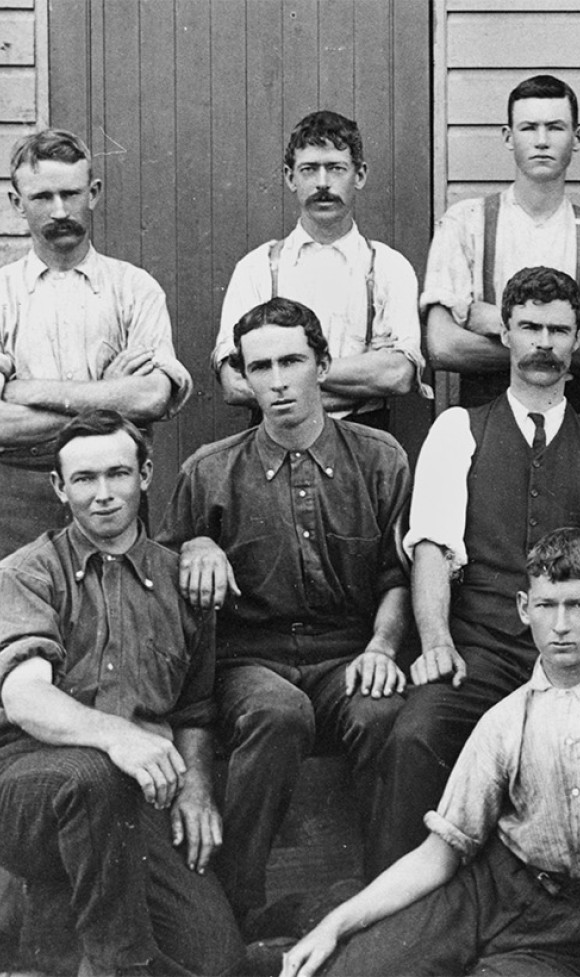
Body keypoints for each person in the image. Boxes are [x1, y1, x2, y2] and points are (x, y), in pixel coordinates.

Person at [280, 528, 580, 977]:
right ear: (523, 608)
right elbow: (440, 854)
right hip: (488, 888)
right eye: (546, 605)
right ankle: (301, 929)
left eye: (578, 605)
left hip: (579, 925)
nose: (560, 625)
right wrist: (335, 926)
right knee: (351, 970)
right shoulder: (504, 721)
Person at [371, 266, 580, 874]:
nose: (544, 343)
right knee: (417, 733)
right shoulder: (456, 430)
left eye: (558, 330)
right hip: (478, 650)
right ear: (507, 337)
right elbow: (432, 548)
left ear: (577, 342)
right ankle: (387, 913)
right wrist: (438, 642)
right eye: (529, 327)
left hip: (570, 657)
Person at [155, 297, 411, 929]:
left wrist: (382, 645)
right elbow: (162, 580)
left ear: (322, 365)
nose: (276, 381)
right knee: (276, 713)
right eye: (259, 366)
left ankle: (382, 905)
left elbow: (397, 574)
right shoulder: (209, 471)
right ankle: (236, 904)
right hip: (250, 659)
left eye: (291, 361)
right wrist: (195, 544)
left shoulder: (381, 459)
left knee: (385, 715)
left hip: (347, 652)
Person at [0, 411, 241, 975]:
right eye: (84, 479)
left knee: (216, 959)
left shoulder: (181, 579)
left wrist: (198, 786)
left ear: (147, 475)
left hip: (138, 801)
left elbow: (195, 707)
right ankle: (123, 966)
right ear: (60, 487)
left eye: (118, 474)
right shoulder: (27, 573)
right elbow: (24, 695)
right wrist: (119, 737)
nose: (103, 494)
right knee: (92, 774)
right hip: (27, 785)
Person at [0, 128, 192, 557]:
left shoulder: (134, 288)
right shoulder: (2, 294)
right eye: (41, 198)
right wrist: (107, 402)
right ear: (17, 203)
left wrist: (27, 392)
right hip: (17, 502)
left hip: (112, 497)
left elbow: (152, 398)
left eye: (71, 193)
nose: (60, 210)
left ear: (95, 192)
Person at [421, 74, 580, 426]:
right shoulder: (466, 222)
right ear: (508, 136)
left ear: (577, 138)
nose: (542, 141)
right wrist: (562, 340)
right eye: (528, 128)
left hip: (574, 416)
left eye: (556, 127)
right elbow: (443, 345)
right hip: (486, 416)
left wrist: (488, 318)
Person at [213, 110, 426, 429]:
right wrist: (363, 371)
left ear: (360, 175)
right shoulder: (257, 268)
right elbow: (234, 383)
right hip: (275, 439)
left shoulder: (388, 268)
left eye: (336, 168)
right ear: (290, 177)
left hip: (363, 439)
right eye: (309, 169)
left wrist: (278, 372)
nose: (323, 183)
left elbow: (397, 376)